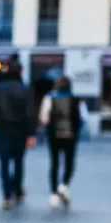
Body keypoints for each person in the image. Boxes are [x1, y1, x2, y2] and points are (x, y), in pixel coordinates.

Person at [0, 62, 38, 210]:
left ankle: (6, 194)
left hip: (3, 128)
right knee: (18, 161)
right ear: (20, 72)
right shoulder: (25, 89)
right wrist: (31, 133)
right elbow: (30, 113)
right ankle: (17, 189)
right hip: (20, 129)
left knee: (3, 161)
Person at [40, 75, 84, 207]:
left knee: (54, 163)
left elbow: (44, 118)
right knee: (69, 163)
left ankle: (53, 193)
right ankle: (64, 185)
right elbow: (83, 117)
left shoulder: (49, 97)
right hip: (71, 136)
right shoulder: (76, 99)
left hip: (54, 136)